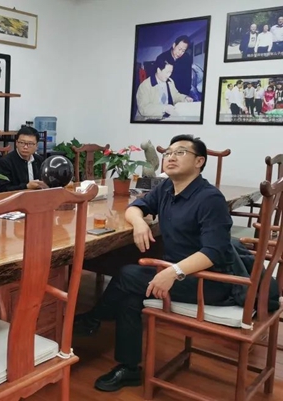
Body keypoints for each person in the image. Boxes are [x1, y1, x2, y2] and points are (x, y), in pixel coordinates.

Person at [74, 134, 240, 392]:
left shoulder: (210, 199)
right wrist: (139, 223)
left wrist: (173, 272)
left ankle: (94, 318)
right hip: (176, 270)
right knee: (131, 295)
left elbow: (214, 252)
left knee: (129, 274)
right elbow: (134, 207)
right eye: (168, 153)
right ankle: (129, 368)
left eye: (180, 152)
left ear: (199, 161)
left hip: (210, 281)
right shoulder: (167, 188)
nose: (171, 157)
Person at [0, 126, 47, 193]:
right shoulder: (5, 162)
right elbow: (1, 189)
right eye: (22, 143)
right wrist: (26, 186)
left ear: (36, 146)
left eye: (30, 144)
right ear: (16, 143)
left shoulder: (40, 160)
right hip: (15, 198)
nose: (25, 147)